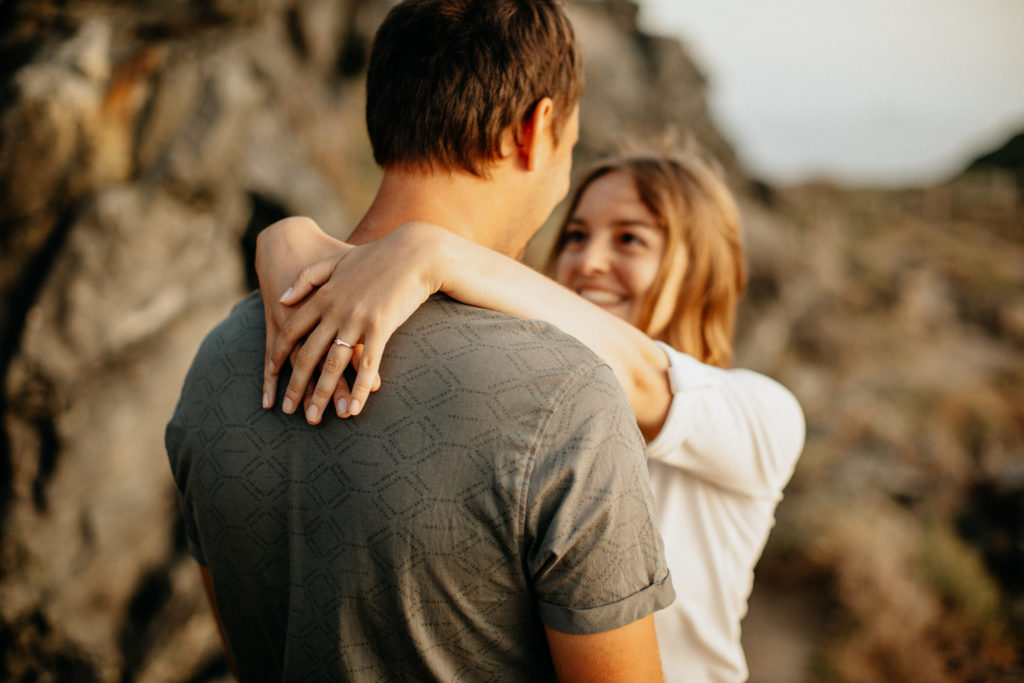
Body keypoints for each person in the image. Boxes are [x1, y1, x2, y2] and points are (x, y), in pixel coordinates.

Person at [166, 1, 676, 681]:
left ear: (384, 121)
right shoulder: (566, 397)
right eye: (570, 148)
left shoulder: (218, 362)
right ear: (537, 130)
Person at [258, 152, 806, 682]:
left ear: (703, 267)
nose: (587, 261)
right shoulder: (538, 404)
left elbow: (643, 378)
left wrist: (433, 251)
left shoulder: (764, 416)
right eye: (575, 235)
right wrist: (285, 239)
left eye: (630, 239)